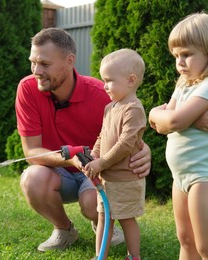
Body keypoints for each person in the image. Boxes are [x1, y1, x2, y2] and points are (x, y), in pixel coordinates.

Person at [15, 28, 152, 252]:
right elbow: (31, 152)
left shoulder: (101, 94)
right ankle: (64, 230)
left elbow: (130, 131)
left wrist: (144, 150)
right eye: (33, 62)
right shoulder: (28, 89)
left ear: (70, 61)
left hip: (98, 171)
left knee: (93, 204)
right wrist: (70, 160)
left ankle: (103, 221)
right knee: (32, 179)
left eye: (45, 64)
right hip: (59, 172)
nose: (36, 71)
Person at [148, 13, 208, 260]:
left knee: (207, 248)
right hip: (181, 177)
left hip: (204, 176)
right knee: (185, 240)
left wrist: (170, 116)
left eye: (187, 54)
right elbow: (159, 124)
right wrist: (158, 113)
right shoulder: (185, 85)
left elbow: (173, 120)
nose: (180, 62)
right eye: (176, 56)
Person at [82, 49, 147, 260]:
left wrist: (103, 162)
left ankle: (133, 256)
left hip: (126, 178)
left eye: (109, 80)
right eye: (103, 80)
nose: (104, 85)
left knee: (126, 219)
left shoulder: (133, 109)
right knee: (104, 218)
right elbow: (103, 135)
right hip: (107, 178)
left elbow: (126, 144)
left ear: (130, 80)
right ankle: (99, 256)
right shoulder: (110, 107)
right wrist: (94, 156)